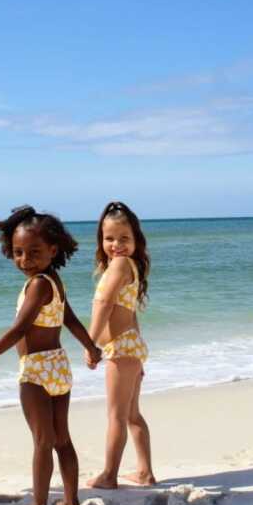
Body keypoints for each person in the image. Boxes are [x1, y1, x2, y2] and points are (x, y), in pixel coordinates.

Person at [0, 206, 102, 505]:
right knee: (62, 440)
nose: (24, 260)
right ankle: (70, 502)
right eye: (17, 252)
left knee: (42, 441)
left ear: (53, 250)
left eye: (34, 252)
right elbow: (68, 318)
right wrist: (91, 347)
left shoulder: (38, 284)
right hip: (59, 366)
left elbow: (20, 329)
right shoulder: (54, 281)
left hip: (37, 371)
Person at [86, 201, 156, 489]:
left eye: (124, 238)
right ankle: (144, 472)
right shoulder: (129, 266)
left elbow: (104, 303)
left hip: (121, 348)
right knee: (131, 413)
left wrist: (90, 342)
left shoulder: (120, 264)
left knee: (116, 415)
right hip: (131, 346)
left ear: (136, 240)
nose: (116, 244)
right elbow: (131, 313)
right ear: (101, 240)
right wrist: (139, 355)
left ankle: (109, 475)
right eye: (109, 238)